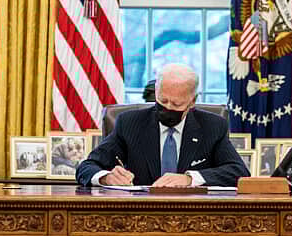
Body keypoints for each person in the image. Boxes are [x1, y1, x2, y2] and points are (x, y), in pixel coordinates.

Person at [76, 63, 248, 187]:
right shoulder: (129, 123)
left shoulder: (212, 126)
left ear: (192, 101)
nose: (168, 108)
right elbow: (86, 167)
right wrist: (106, 177)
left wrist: (190, 179)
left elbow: (238, 172)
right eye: (163, 100)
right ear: (157, 92)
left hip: (194, 214)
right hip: (139, 214)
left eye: (177, 104)